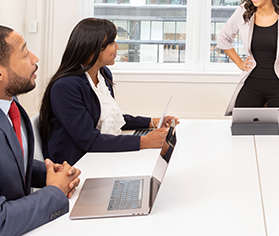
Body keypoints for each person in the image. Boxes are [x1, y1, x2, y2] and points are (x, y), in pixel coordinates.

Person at [39, 18, 178, 165]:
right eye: (112, 43)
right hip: (77, 163)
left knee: (162, 147)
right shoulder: (65, 87)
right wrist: (144, 141)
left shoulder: (103, 74)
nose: (117, 47)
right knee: (156, 151)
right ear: (93, 48)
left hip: (97, 152)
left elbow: (110, 118)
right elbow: (89, 140)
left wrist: (150, 122)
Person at [0, 25, 81, 236]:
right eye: (24, 54)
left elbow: (8, 162)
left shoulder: (10, 105)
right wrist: (55, 191)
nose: (35, 58)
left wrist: (54, 173)